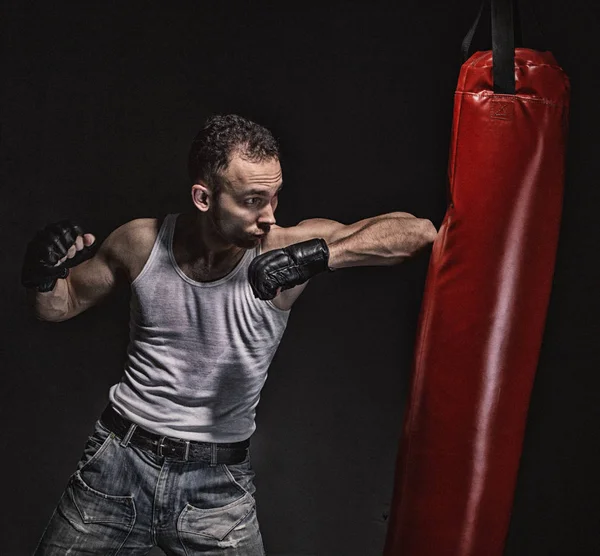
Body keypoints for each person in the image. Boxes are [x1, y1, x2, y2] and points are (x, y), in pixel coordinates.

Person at [22, 114, 437, 555]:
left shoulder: (280, 248)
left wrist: (319, 256)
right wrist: (42, 275)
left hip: (216, 486)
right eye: (253, 200)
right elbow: (58, 306)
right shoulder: (140, 243)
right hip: (117, 463)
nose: (269, 217)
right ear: (204, 197)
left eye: (274, 198)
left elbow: (418, 232)